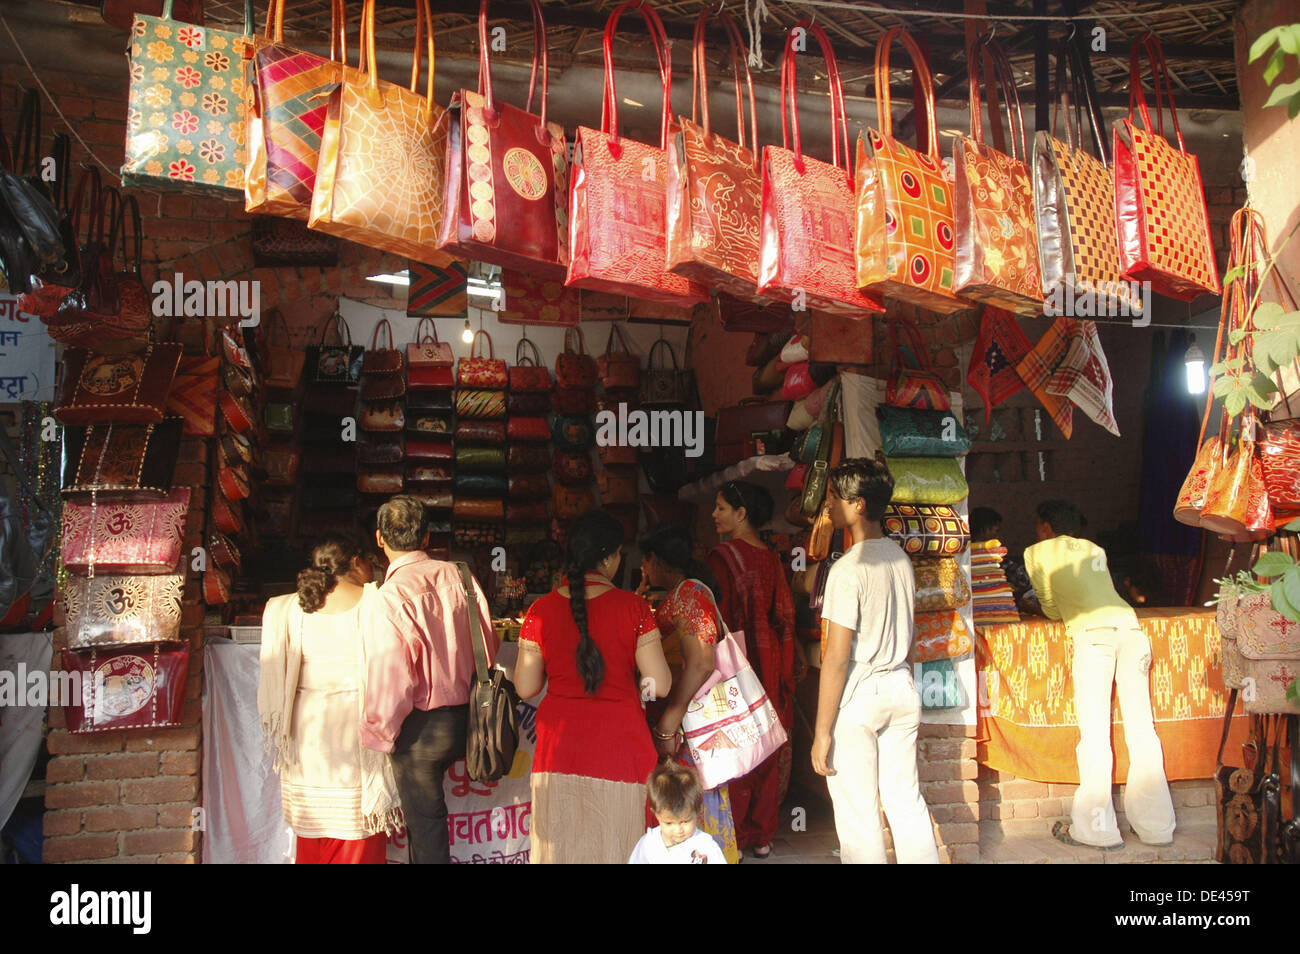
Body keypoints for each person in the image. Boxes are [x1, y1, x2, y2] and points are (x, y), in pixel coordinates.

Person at [514, 510, 672, 863]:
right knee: (618, 847)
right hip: (621, 748)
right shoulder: (634, 608)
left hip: (559, 751)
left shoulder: (539, 611)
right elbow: (659, 685)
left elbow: (525, 688)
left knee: (563, 849)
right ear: (608, 557)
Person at [1023, 499, 1175, 851]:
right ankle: (1157, 828)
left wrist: (1046, 608)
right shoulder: (1095, 549)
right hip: (1132, 633)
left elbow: (1048, 605)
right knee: (1143, 731)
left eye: (1038, 524)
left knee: (1095, 735)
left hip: (1094, 638)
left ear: (1045, 525)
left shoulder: (1036, 551)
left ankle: (1097, 830)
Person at [812, 456, 940, 865]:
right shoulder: (900, 559)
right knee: (906, 802)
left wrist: (821, 732)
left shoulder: (847, 570)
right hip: (901, 689)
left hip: (859, 696)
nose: (829, 505)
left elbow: (835, 657)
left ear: (859, 505)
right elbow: (913, 634)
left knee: (859, 815)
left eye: (835, 497)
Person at [360, 495, 497, 865]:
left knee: (428, 830)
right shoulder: (461, 575)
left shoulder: (389, 597)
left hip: (421, 732)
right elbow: (489, 646)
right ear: (426, 539)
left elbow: (393, 680)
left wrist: (378, 734)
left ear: (379, 539)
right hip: (470, 720)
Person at [258, 535, 403, 864]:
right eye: (367, 562)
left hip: (308, 733)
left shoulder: (287, 607)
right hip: (359, 732)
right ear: (355, 563)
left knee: (315, 835)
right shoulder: (377, 601)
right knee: (358, 837)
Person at [636, 524, 739, 863]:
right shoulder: (680, 593)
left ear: (657, 560)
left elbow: (701, 662)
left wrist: (670, 718)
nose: (643, 568)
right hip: (688, 721)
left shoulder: (689, 594)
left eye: (645, 561)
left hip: (691, 723)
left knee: (690, 795)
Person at [707, 481, 795, 860]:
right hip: (769, 660)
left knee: (736, 744)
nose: (714, 514)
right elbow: (785, 617)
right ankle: (762, 836)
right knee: (765, 744)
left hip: (733, 663)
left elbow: (716, 619)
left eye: (721, 508)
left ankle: (738, 837)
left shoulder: (720, 557)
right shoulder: (772, 559)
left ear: (742, 514)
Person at [628, 761, 727, 864]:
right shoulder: (649, 844)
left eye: (685, 821)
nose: (678, 830)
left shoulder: (705, 846)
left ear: (697, 811)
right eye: (669, 823)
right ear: (656, 814)